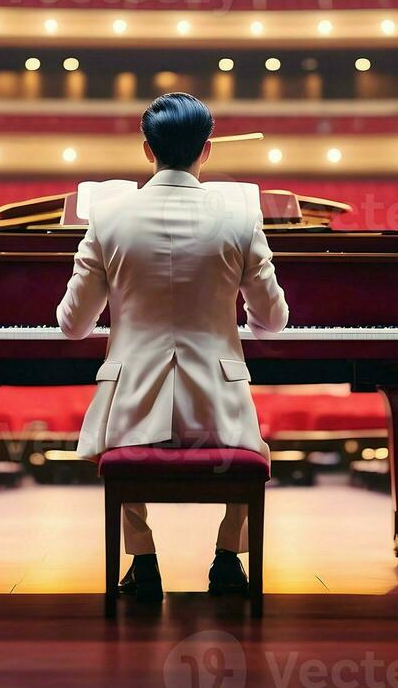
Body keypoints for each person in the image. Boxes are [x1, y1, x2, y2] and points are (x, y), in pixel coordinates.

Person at [56, 92, 289, 602]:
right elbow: (272, 321)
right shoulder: (240, 218)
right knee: (255, 448)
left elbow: (73, 326)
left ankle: (142, 560)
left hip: (132, 399)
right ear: (206, 151)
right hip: (218, 402)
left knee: (117, 441)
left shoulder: (107, 217)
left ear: (147, 150)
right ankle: (228, 558)